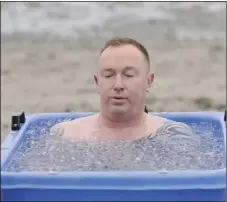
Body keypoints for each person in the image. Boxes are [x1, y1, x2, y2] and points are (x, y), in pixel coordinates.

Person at [50, 37, 196, 140]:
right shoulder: (65, 135)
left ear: (148, 81)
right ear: (97, 82)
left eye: (128, 75)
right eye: (108, 75)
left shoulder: (174, 135)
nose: (118, 85)